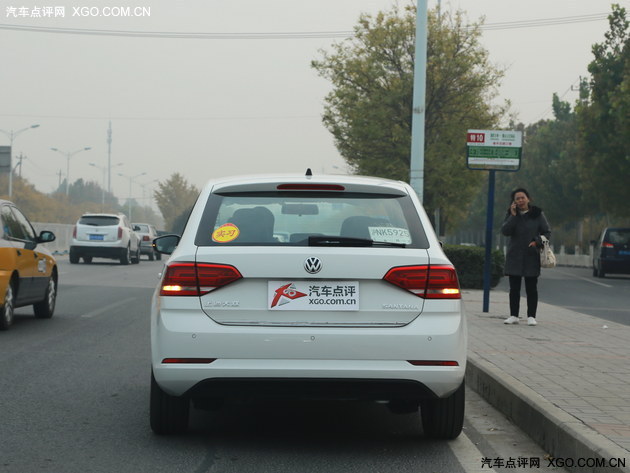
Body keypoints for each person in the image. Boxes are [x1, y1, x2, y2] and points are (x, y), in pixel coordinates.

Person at [500, 188, 551, 326]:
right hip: (514, 255)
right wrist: (513, 215)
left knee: (531, 288)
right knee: (514, 288)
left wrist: (536, 241)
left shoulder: (538, 214)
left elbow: (547, 232)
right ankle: (514, 315)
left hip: (531, 255)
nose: (520, 200)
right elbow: (505, 231)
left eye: (523, 197)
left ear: (528, 198)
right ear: (514, 202)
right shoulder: (512, 214)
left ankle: (531, 316)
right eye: (517, 199)